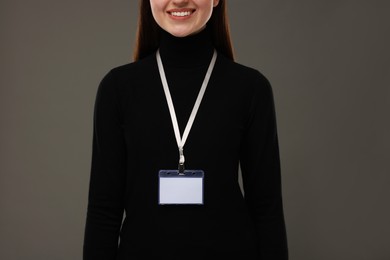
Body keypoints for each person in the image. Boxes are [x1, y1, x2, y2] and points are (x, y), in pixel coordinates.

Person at [83, 0, 288, 259]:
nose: (179, 0)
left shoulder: (251, 89)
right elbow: (104, 211)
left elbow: (266, 209)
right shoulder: (117, 89)